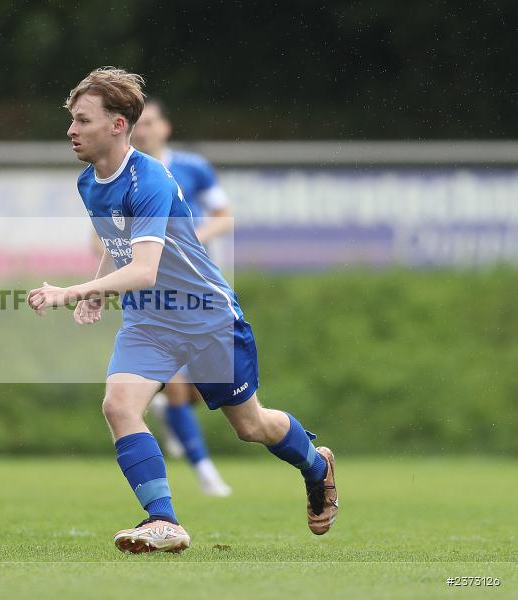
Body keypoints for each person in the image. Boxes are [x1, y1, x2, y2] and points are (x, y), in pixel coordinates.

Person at [27, 67, 337, 554]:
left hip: (205, 317)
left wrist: (75, 289)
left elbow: (146, 269)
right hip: (150, 321)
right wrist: (98, 291)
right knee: (118, 406)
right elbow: (120, 242)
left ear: (117, 125)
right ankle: (163, 520)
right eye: (71, 119)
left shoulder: (147, 177)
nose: (71, 130)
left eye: (82, 120)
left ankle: (316, 465)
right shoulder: (90, 182)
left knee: (250, 426)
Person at [131, 98, 233, 497]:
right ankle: (206, 472)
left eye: (151, 122)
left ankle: (170, 414)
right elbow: (101, 235)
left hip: (199, 287)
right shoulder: (124, 175)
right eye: (138, 124)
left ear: (165, 127)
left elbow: (226, 216)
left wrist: (190, 241)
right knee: (176, 383)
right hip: (151, 291)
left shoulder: (192, 168)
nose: (144, 130)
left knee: (204, 386)